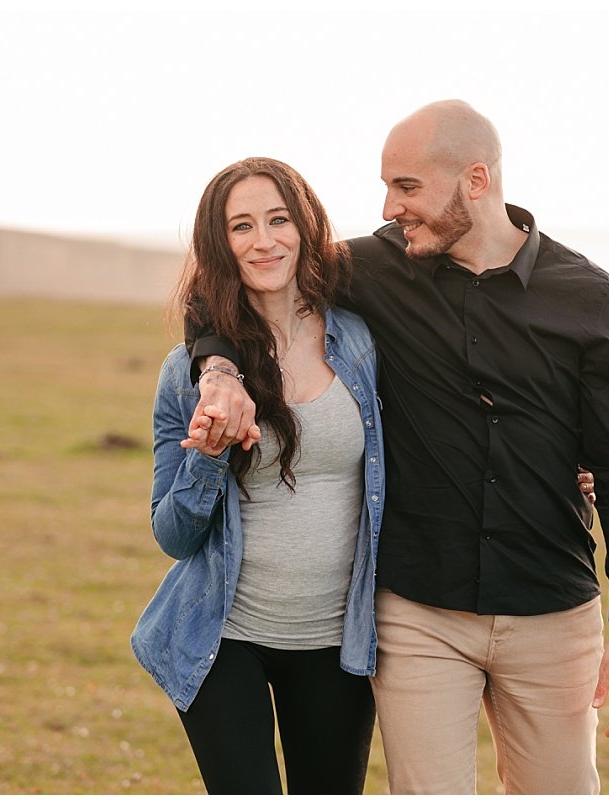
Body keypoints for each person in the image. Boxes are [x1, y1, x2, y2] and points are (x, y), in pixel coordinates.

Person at [192, 100, 609, 796]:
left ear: (475, 180)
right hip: (418, 610)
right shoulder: (369, 270)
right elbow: (233, 285)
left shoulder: (588, 299)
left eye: (407, 187)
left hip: (552, 610)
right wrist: (220, 371)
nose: (389, 205)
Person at [129, 157, 386, 794]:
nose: (264, 240)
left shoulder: (361, 342)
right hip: (223, 635)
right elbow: (174, 535)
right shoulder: (187, 374)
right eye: (242, 227)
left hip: (336, 639)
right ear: (221, 244)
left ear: (305, 226)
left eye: (278, 219)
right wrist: (209, 453)